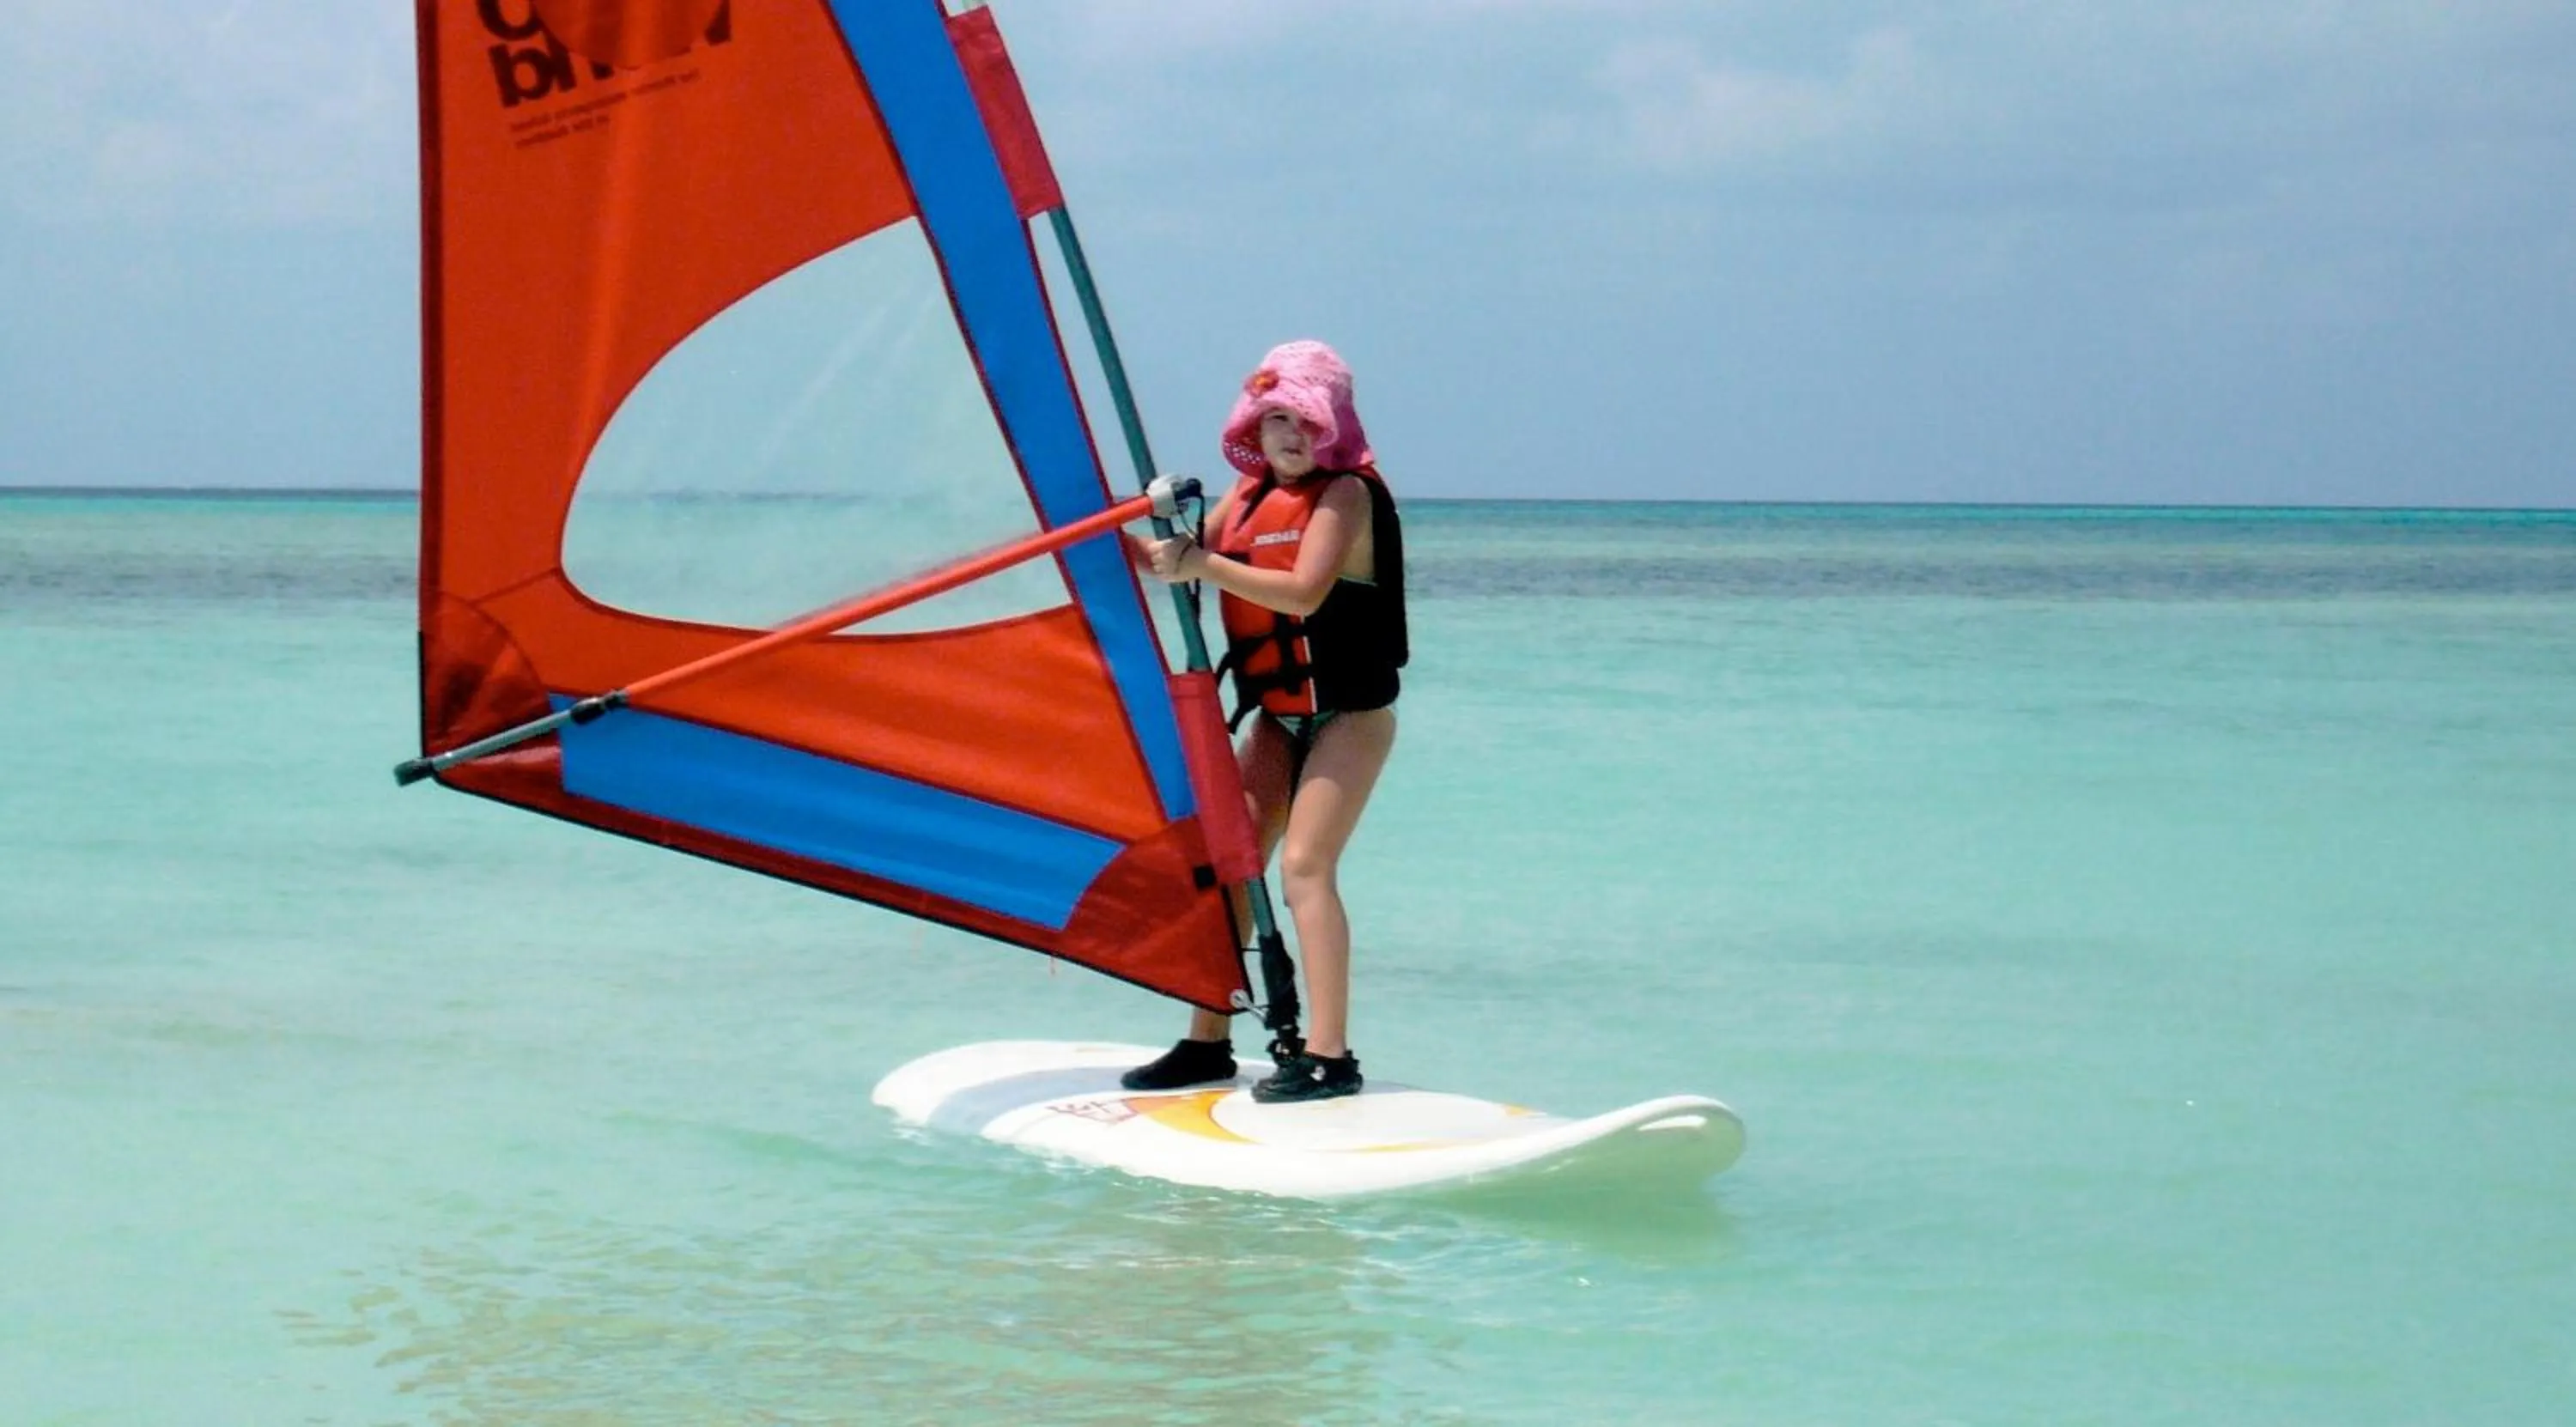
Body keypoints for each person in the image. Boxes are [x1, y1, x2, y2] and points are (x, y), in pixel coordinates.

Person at [1121, 340, 1406, 1104]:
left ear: (1333, 427)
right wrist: (1094, 531)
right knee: (1228, 867)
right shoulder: (1243, 500)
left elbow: (1306, 592)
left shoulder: (1346, 495)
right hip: (1278, 721)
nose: (1289, 434)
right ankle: (1205, 1042)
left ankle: (1329, 1056)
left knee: (1303, 868)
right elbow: (1163, 561)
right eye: (1275, 417)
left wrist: (1201, 565)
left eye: (1305, 420)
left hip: (1349, 716)